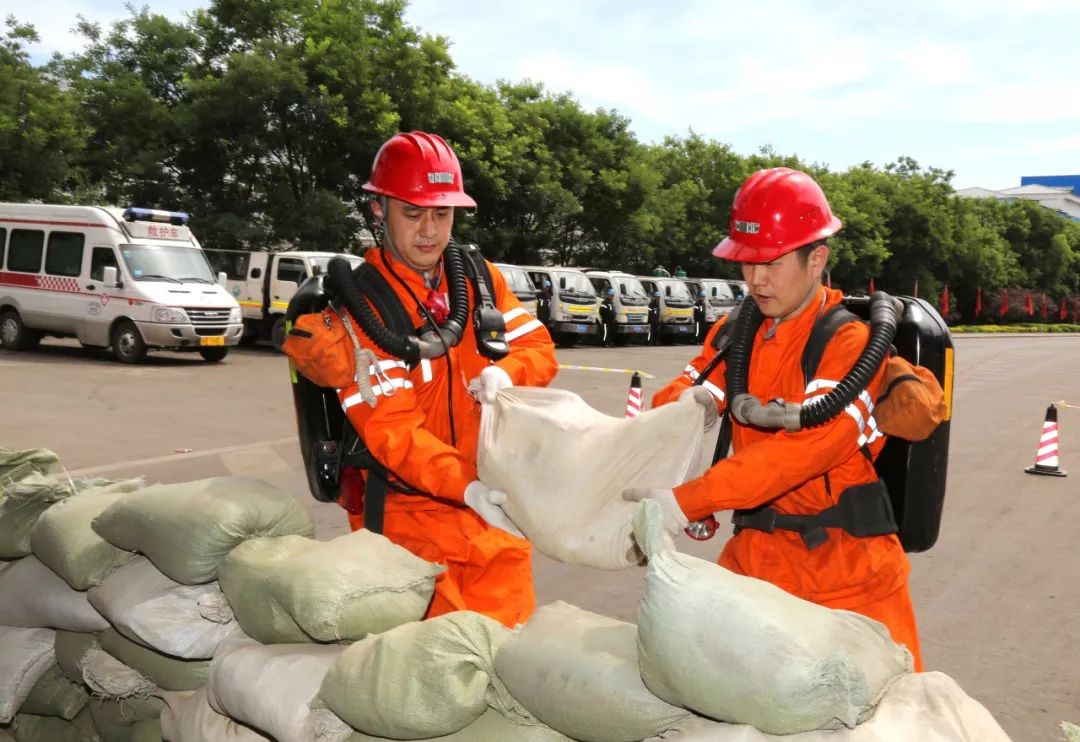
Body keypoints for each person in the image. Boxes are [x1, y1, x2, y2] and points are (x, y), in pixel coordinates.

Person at [624, 167, 923, 670]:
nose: (756, 280)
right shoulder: (737, 331)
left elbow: (806, 450)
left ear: (817, 259)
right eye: (746, 264)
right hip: (756, 558)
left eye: (771, 263)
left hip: (847, 571)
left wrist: (687, 501)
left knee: (888, 712)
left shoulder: (849, 343)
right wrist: (685, 406)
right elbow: (687, 390)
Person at [335, 131, 558, 628]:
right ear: (378, 210)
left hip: (493, 516)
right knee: (437, 677)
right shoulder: (362, 306)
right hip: (406, 527)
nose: (430, 231)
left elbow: (539, 348)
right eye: (412, 214)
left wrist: (507, 371)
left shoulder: (480, 280)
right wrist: (467, 487)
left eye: (442, 214)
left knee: (513, 658)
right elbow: (393, 433)